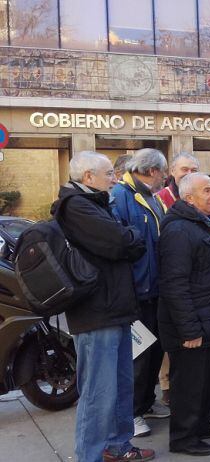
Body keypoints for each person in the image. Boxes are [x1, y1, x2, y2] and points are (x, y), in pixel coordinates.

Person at [53, 151, 152, 462]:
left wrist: (129, 238)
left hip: (114, 309)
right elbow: (124, 242)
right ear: (88, 178)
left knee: (121, 386)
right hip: (97, 313)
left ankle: (118, 446)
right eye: (109, 173)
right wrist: (131, 238)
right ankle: (90, 455)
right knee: (98, 393)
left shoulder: (96, 203)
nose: (114, 178)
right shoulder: (76, 206)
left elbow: (127, 241)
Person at [158, 173, 210, 456]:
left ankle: (202, 424)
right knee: (189, 385)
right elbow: (174, 285)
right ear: (188, 197)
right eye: (206, 191)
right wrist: (189, 330)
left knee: (209, 381)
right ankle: (183, 437)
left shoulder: (205, 224)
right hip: (194, 326)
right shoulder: (179, 230)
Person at [110, 149, 171, 437]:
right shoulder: (120, 197)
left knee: (154, 352)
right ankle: (131, 413)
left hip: (155, 290)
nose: (165, 177)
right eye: (163, 172)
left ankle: (146, 402)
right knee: (138, 357)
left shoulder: (151, 197)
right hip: (136, 292)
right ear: (151, 171)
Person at [157, 152, 210, 225]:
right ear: (173, 171)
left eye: (194, 170)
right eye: (184, 169)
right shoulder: (160, 197)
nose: (189, 174)